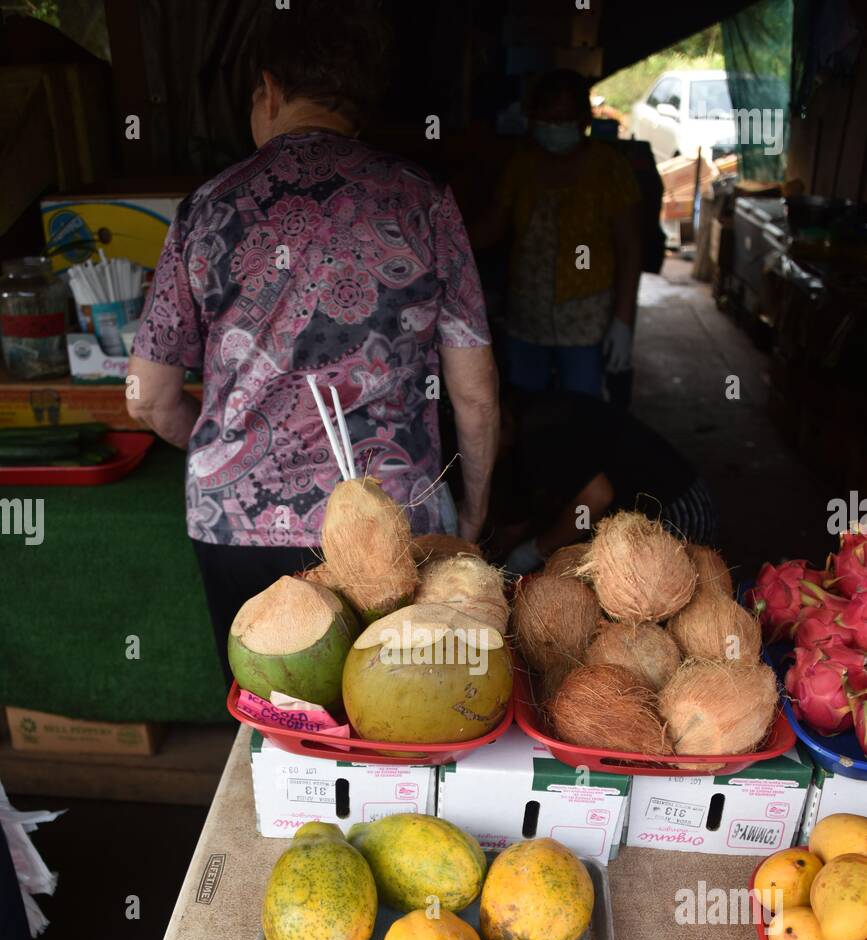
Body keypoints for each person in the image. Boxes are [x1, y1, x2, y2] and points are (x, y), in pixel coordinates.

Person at [127, 0, 498, 676]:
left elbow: (148, 398)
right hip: (389, 521)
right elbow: (473, 393)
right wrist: (469, 513)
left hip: (236, 524)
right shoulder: (421, 200)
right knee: (399, 709)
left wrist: (224, 450)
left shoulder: (207, 208)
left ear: (267, 90)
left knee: (273, 713)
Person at [474, 69, 642, 398]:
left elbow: (630, 247)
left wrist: (623, 321)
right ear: (533, 118)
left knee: (582, 412)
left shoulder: (609, 168)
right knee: (526, 408)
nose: (556, 125)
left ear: (583, 119)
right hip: (527, 313)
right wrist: (445, 246)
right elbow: (494, 225)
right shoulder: (522, 165)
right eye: (548, 117)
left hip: (585, 319)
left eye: (565, 117)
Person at [496, 388, 719, 572]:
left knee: (639, 592)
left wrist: (535, 550)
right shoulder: (518, 423)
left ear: (502, 419)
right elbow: (515, 520)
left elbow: (597, 498)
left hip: (681, 510)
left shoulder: (542, 431)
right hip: (635, 515)